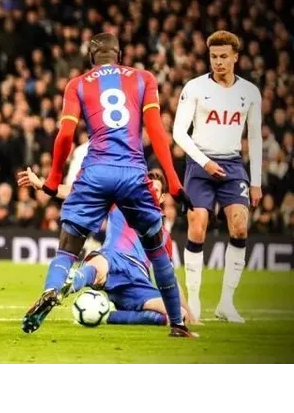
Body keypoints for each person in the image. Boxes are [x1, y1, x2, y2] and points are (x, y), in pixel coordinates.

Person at [21, 33, 196, 338]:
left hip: (95, 171)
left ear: (91, 57)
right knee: (158, 253)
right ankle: (178, 325)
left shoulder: (77, 84)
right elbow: (157, 131)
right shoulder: (143, 78)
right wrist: (175, 182)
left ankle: (52, 289)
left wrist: (52, 180)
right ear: (119, 54)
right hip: (133, 173)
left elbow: (65, 135)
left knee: (67, 250)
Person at [18, 168, 196, 326]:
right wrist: (43, 186)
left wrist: (190, 313)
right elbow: (79, 192)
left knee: (180, 315)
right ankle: (65, 286)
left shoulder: (164, 236)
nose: (149, 193)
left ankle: (108, 315)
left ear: (162, 197)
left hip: (138, 281)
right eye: (146, 188)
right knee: (98, 266)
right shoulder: (120, 203)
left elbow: (170, 278)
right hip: (112, 259)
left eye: (154, 190)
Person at [173, 30, 263, 323]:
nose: (218, 62)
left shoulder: (250, 92)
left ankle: (226, 303)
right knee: (197, 226)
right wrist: (204, 162)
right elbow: (178, 132)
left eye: (224, 56)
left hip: (233, 165)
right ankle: (194, 301)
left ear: (236, 57)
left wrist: (256, 181)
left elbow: (255, 137)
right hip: (200, 164)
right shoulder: (195, 88)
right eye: (213, 56)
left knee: (240, 227)